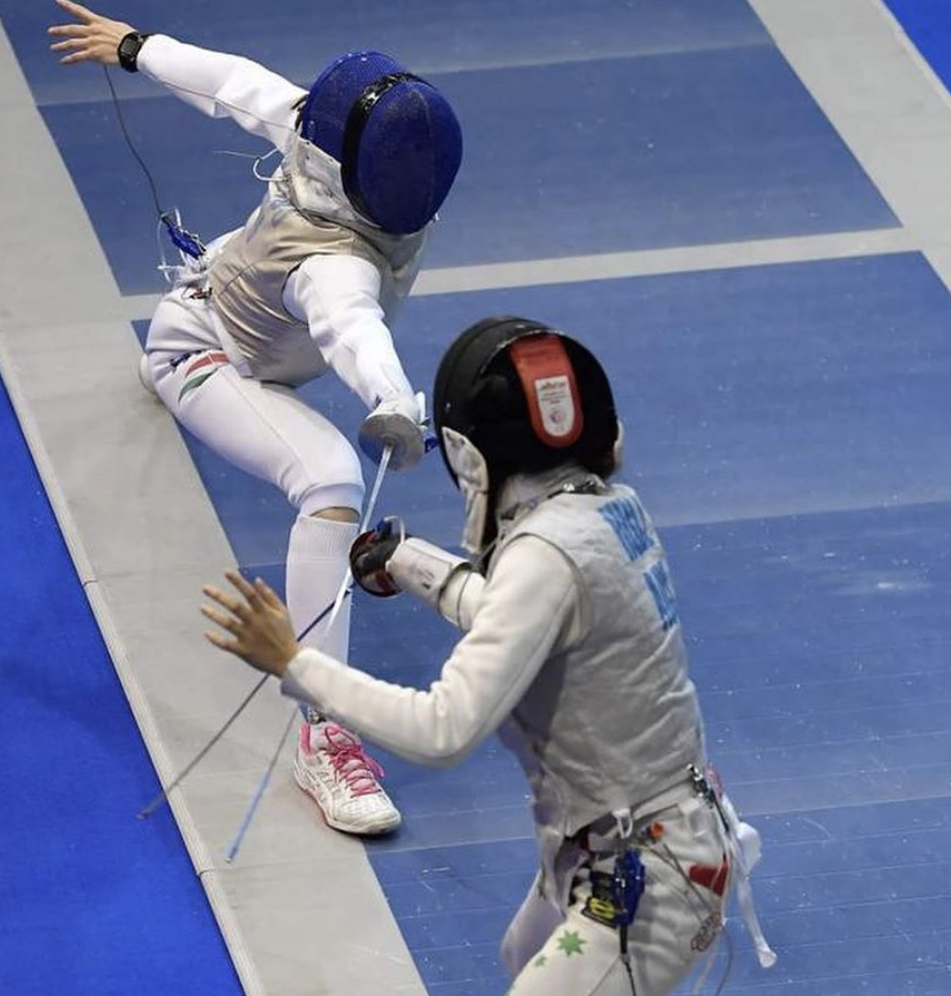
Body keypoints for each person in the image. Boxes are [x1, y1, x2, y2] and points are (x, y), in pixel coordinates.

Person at [200, 317, 776, 996]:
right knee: (521, 953)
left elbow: (442, 729)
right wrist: (410, 561)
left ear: (471, 457)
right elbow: (520, 619)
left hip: (644, 876)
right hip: (645, 838)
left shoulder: (544, 555)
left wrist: (295, 661)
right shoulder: (607, 512)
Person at [48, 0, 464, 836]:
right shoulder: (335, 258)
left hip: (254, 332)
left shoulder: (328, 167)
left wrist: (136, 47)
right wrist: (391, 402)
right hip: (203, 356)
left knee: (325, 450)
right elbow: (352, 322)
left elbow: (243, 87)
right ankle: (325, 732)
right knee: (333, 480)